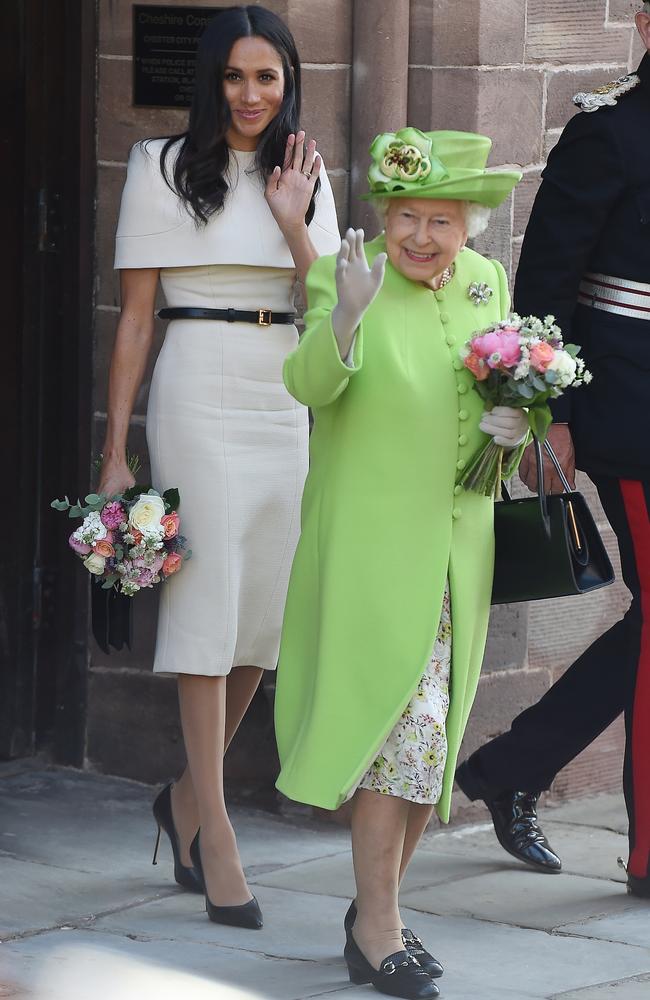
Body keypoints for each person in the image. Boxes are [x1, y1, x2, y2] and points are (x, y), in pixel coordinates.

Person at [97, 5, 340, 929]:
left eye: (267, 77)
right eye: (236, 77)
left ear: (288, 83)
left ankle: (184, 801)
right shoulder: (159, 167)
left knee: (263, 619)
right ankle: (218, 828)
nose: (251, 95)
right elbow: (134, 319)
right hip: (197, 383)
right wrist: (116, 450)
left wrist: (293, 222)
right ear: (212, 80)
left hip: (285, 388)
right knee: (207, 605)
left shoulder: (304, 173)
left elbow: (327, 303)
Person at [274, 128, 523, 997]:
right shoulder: (342, 275)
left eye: (441, 220)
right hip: (375, 550)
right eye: (406, 216)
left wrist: (517, 425)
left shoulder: (489, 282)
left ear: (471, 225)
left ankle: (377, 909)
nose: (421, 236)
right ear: (384, 215)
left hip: (464, 548)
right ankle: (377, 926)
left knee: (431, 744)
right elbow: (307, 386)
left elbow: (505, 383)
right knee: (399, 739)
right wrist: (343, 314)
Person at [455, 4, 650, 900]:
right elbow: (544, 283)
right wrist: (555, 414)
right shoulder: (609, 130)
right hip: (630, 413)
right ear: (644, 23)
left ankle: (511, 767)